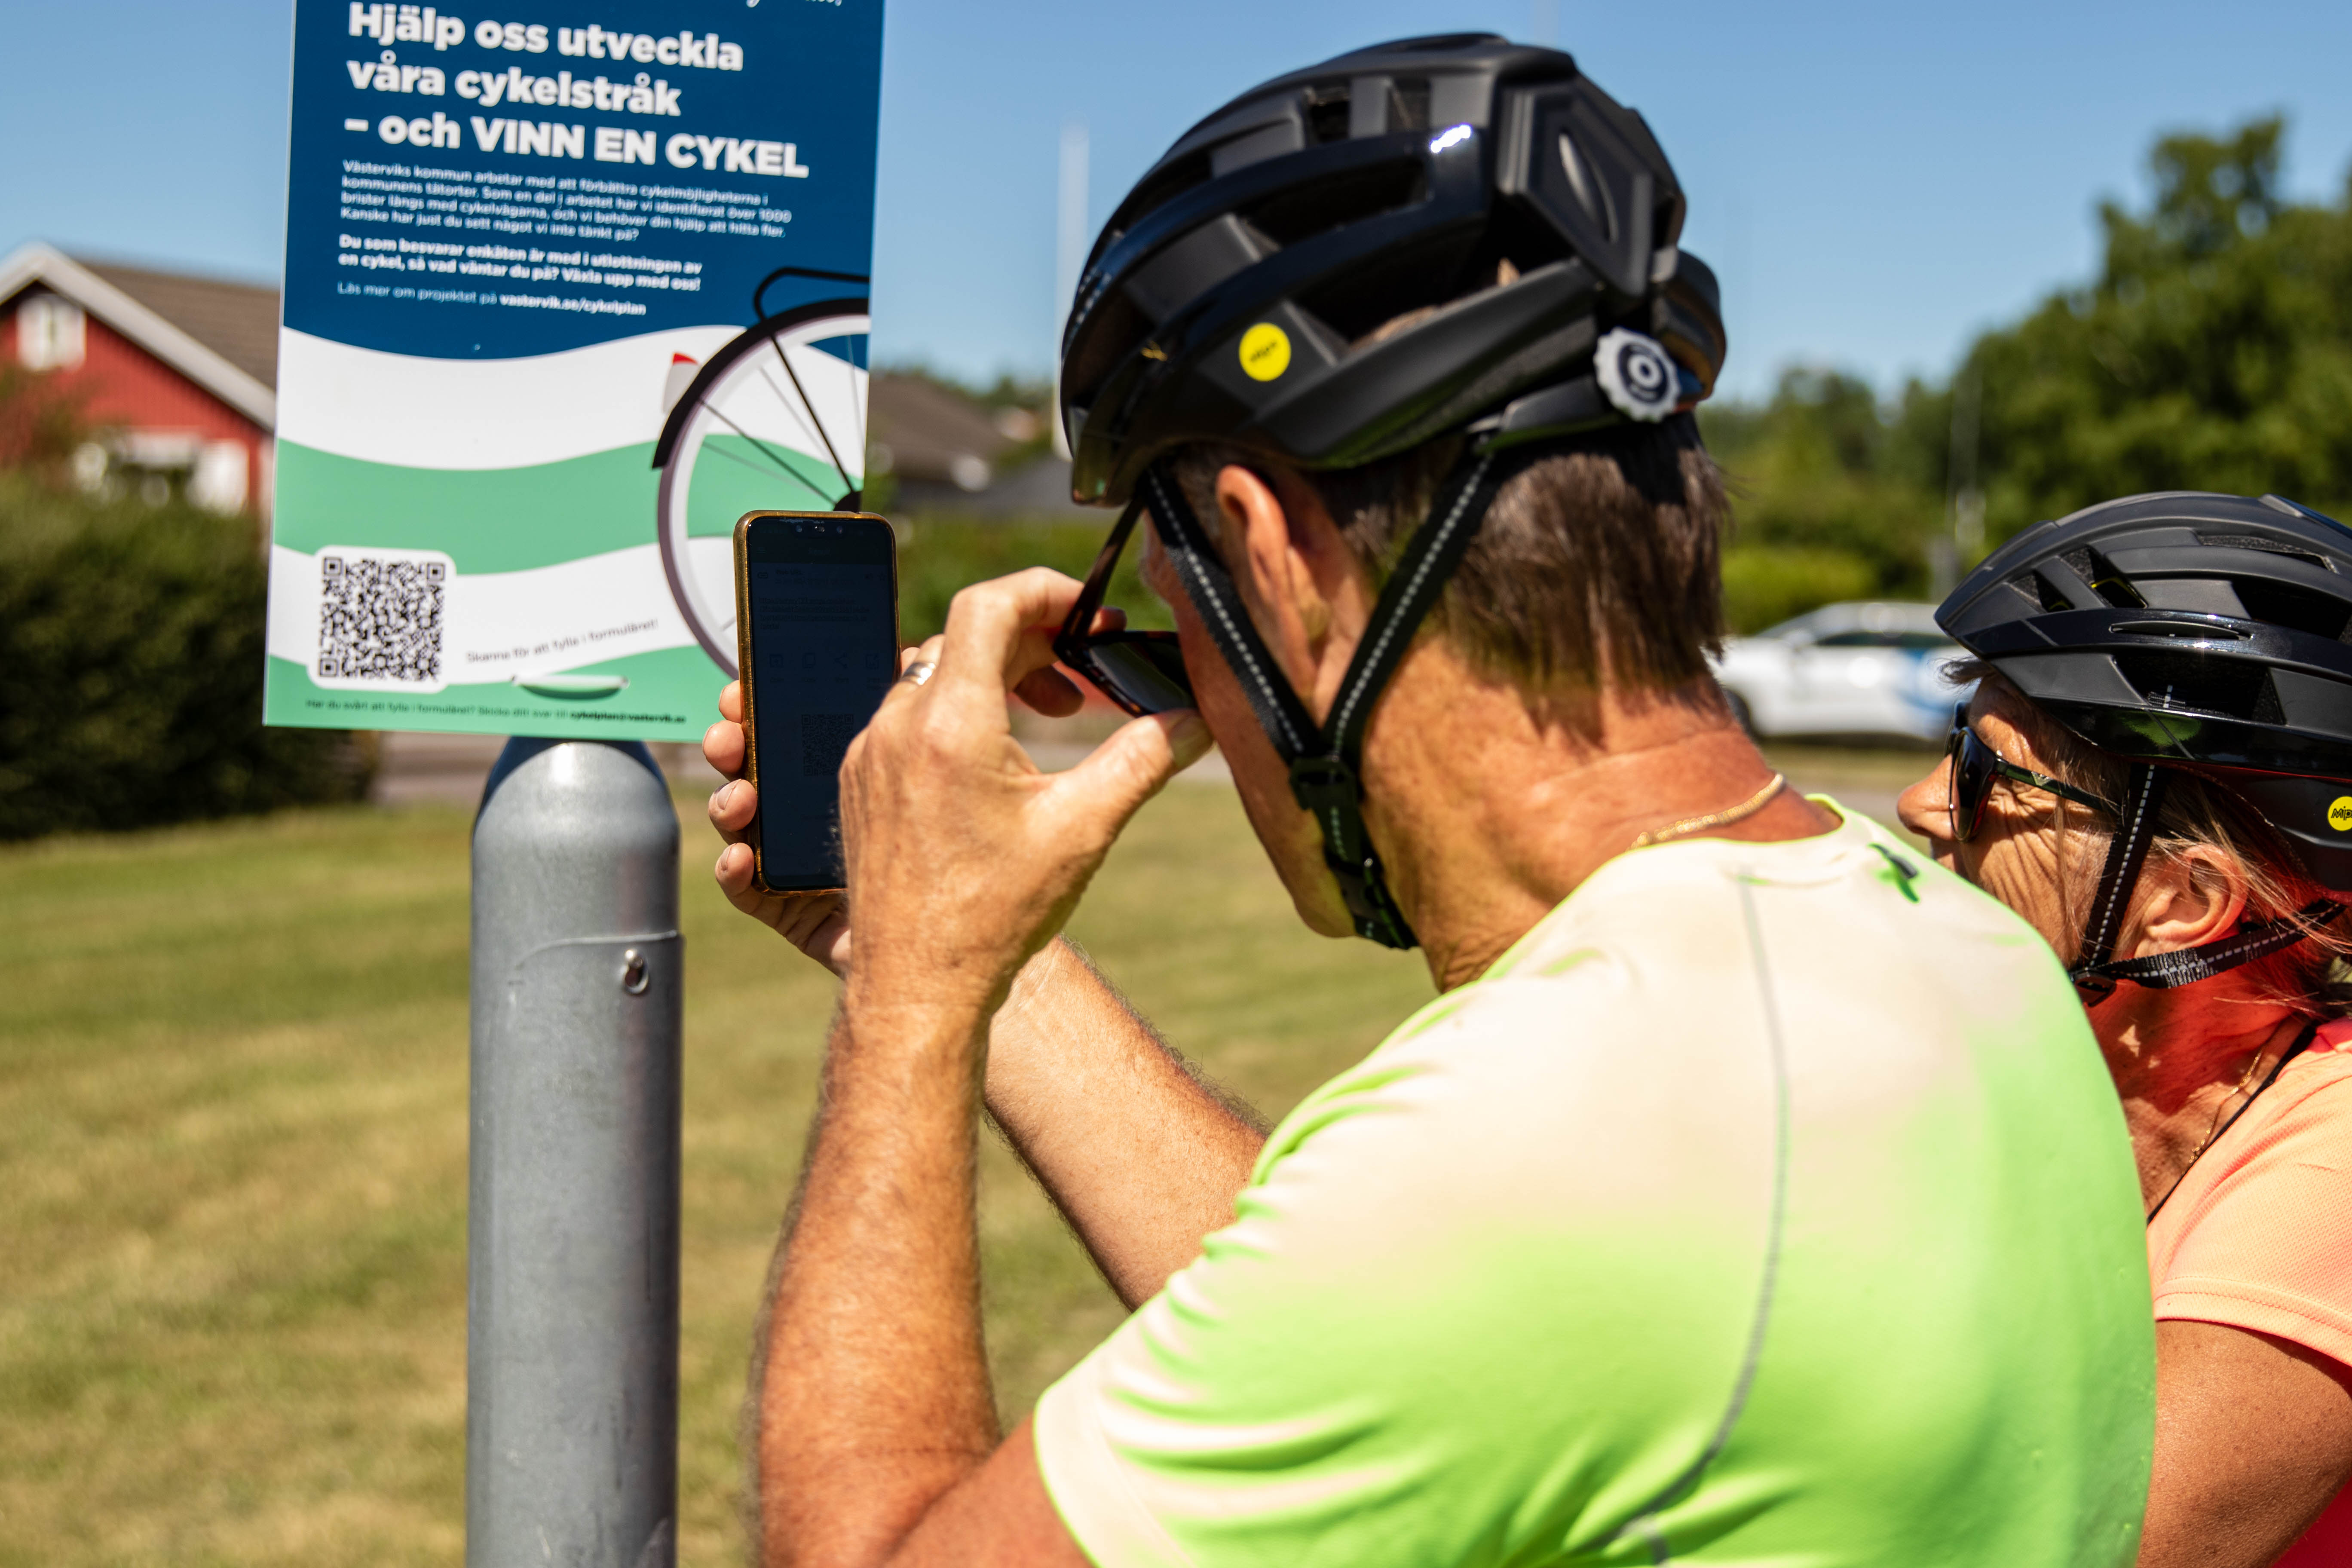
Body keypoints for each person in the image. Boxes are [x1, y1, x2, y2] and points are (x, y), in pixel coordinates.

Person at [703, 35, 2155, 1567]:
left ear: (1273, 557)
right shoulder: (1964, 951)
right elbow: (1371, 1331)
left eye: (1167, 589)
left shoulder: (1528, 1158)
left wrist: (917, 996)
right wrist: (952, 934)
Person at [1896, 490, 2352, 1568]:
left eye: (1981, 774)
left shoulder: (2336, 1172)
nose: (1920, 804)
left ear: (2182, 904)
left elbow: (2062, 1549)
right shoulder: (2032, 1094)